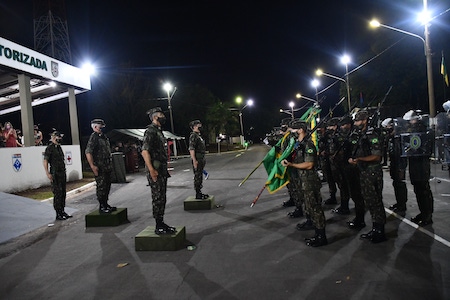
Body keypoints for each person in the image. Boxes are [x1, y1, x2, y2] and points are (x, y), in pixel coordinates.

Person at [282, 119, 327, 247]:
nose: (291, 132)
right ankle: (313, 226)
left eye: (293, 130)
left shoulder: (308, 145)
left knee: (315, 207)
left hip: (309, 180)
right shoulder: (299, 144)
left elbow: (309, 164)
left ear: (301, 130)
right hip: (303, 180)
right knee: (309, 206)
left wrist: (291, 164)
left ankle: (321, 236)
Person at [349, 110, 386, 243]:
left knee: (375, 201)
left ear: (364, 120)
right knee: (370, 201)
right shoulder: (362, 134)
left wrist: (359, 159)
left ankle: (380, 231)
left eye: (358, 121)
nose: (355, 123)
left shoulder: (372, 134)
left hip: (372, 172)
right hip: (365, 172)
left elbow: (377, 156)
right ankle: (376, 228)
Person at [141, 107, 176, 235]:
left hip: (160, 169)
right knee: (157, 197)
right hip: (155, 170)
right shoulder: (150, 131)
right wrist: (151, 170)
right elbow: (145, 151)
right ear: (155, 117)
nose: (163, 116)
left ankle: (161, 222)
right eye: (161, 114)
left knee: (162, 197)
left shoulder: (158, 131)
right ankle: (158, 225)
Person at [403, 110, 434, 226]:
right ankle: (423, 212)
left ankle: (427, 215)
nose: (410, 122)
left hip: (422, 164)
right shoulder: (412, 131)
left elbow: (426, 149)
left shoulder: (425, 132)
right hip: (414, 163)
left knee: (424, 190)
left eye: (412, 120)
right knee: (418, 190)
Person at [85, 119, 116, 214]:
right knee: (101, 187)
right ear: (95, 127)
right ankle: (102, 206)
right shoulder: (94, 137)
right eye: (100, 126)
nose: (102, 127)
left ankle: (106, 204)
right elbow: (88, 152)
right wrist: (92, 166)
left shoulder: (103, 137)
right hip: (100, 167)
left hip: (107, 166)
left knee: (107, 186)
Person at [43, 131, 72, 220]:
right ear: (54, 137)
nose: (60, 139)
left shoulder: (59, 147)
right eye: (59, 137)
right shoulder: (50, 148)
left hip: (62, 173)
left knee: (63, 193)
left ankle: (62, 211)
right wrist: (47, 173)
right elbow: (45, 161)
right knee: (57, 193)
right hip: (55, 174)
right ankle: (58, 213)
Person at [382, 118, 408, 216]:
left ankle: (402, 204)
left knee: (400, 184)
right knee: (396, 183)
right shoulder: (391, 137)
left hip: (399, 163)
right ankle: (399, 202)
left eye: (388, 127)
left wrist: (402, 167)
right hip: (394, 162)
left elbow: (402, 153)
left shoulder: (399, 137)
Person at [188, 120, 209, 199]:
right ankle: (198, 193)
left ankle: (199, 192)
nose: (200, 126)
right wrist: (194, 160)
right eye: (198, 125)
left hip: (201, 158)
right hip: (197, 159)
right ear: (194, 127)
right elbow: (191, 149)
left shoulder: (198, 136)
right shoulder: (193, 136)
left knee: (199, 176)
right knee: (197, 176)